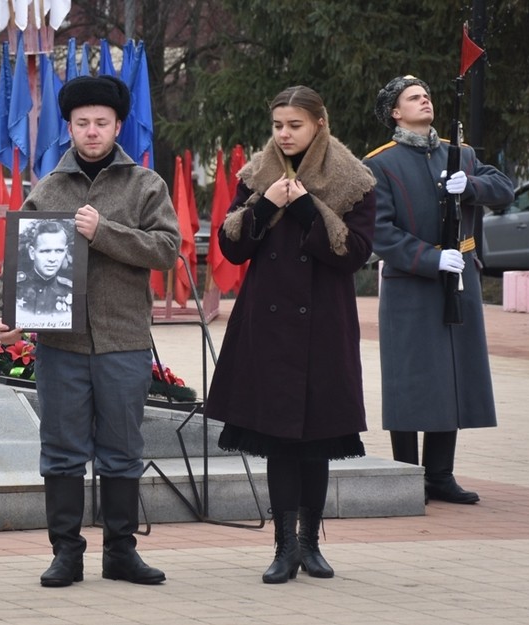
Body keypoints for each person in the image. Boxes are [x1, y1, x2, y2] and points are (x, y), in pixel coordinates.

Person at [0, 75, 181, 588]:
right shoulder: (49, 188)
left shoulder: (145, 185)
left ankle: (121, 552)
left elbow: (167, 250)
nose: (91, 132)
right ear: (68, 128)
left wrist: (106, 233)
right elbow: (17, 262)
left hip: (124, 340)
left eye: (101, 122)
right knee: (62, 450)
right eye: (81, 123)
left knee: (122, 450)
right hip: (61, 346)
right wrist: (2, 316)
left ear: (118, 125)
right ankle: (65, 555)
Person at [204, 86, 377, 584]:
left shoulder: (354, 179)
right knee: (280, 439)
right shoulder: (256, 174)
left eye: (294, 125)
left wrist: (304, 209)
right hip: (268, 322)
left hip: (324, 321)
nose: (284, 134)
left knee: (317, 438)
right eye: (278, 124)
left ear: (319, 123)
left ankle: (309, 544)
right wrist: (263, 207)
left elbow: (355, 253)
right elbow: (232, 248)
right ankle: (283, 547)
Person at [364, 75, 514, 504]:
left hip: (459, 279)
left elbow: (503, 189)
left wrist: (473, 186)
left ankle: (440, 475)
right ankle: (407, 475)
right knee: (411, 380)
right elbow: (380, 232)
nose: (424, 99)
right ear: (396, 112)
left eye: (426, 94)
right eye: (413, 97)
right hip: (411, 283)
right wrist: (430, 259)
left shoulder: (460, 153)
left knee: (450, 373)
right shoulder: (380, 163)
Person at [16, 220, 73, 321]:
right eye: (45, 251)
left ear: (65, 251)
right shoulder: (16, 286)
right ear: (32, 253)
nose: (52, 259)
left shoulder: (70, 289)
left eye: (59, 251)